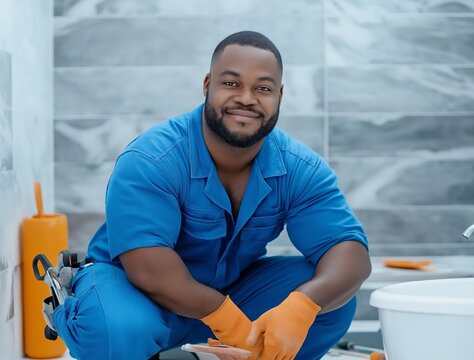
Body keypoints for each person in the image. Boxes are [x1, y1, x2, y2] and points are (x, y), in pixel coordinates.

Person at [52, 30, 371, 360]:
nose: (247, 98)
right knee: (114, 330)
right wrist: (224, 317)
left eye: (263, 88)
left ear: (280, 95)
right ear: (208, 85)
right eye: (232, 83)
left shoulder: (298, 167)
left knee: (330, 299)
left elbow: (349, 253)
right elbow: (148, 270)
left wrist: (302, 304)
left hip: (228, 292)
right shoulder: (152, 159)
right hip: (132, 290)